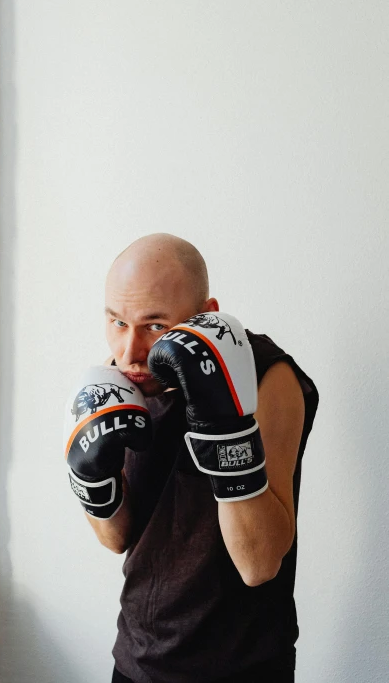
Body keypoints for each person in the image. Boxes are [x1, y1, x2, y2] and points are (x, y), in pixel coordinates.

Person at [65, 234, 319, 683]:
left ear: (205, 315)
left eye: (154, 325)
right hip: (137, 660)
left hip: (244, 667)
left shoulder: (267, 378)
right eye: (118, 322)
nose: (130, 352)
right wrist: (91, 479)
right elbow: (116, 538)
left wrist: (223, 429)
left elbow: (259, 564)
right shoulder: (118, 380)